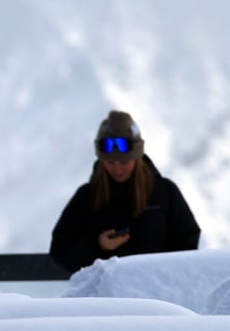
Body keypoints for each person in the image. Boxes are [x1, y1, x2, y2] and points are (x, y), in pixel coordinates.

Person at [50, 110, 201, 274]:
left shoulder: (165, 193)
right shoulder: (86, 197)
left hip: (155, 295)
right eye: (110, 161)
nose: (117, 168)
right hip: (105, 297)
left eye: (124, 161)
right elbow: (60, 250)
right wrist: (98, 246)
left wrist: (164, 275)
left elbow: (188, 241)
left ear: (137, 157)